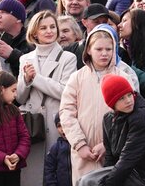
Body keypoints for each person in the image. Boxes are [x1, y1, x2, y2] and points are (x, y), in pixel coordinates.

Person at [59, 24, 139, 184]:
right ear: (88, 49)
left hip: (114, 153)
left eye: (108, 49)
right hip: (84, 153)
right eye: (99, 49)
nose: (104, 54)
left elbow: (131, 115)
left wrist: (107, 145)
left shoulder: (123, 77)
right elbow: (66, 112)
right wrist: (79, 144)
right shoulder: (77, 77)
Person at [15, 11, 77, 186]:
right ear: (35, 32)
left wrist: (36, 79)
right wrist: (26, 81)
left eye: (52, 27)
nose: (49, 31)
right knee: (31, 177)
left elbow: (65, 92)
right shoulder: (25, 59)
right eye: (43, 28)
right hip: (32, 126)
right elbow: (20, 97)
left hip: (57, 124)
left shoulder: (68, 58)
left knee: (55, 175)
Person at [74, 74, 145, 186]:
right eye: (121, 98)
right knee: (83, 181)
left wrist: (107, 183)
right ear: (112, 102)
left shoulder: (141, 116)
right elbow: (110, 158)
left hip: (143, 175)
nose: (129, 101)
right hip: (125, 172)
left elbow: (129, 158)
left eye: (129, 95)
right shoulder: (108, 119)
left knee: (88, 182)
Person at [118, 8, 145, 103]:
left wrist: (126, 68)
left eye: (124, 21)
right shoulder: (128, 47)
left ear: (137, 23)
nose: (119, 25)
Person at [43, 114, 71, 186]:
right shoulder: (56, 148)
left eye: (64, 123)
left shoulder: (80, 146)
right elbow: (49, 170)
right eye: (59, 126)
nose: (62, 129)